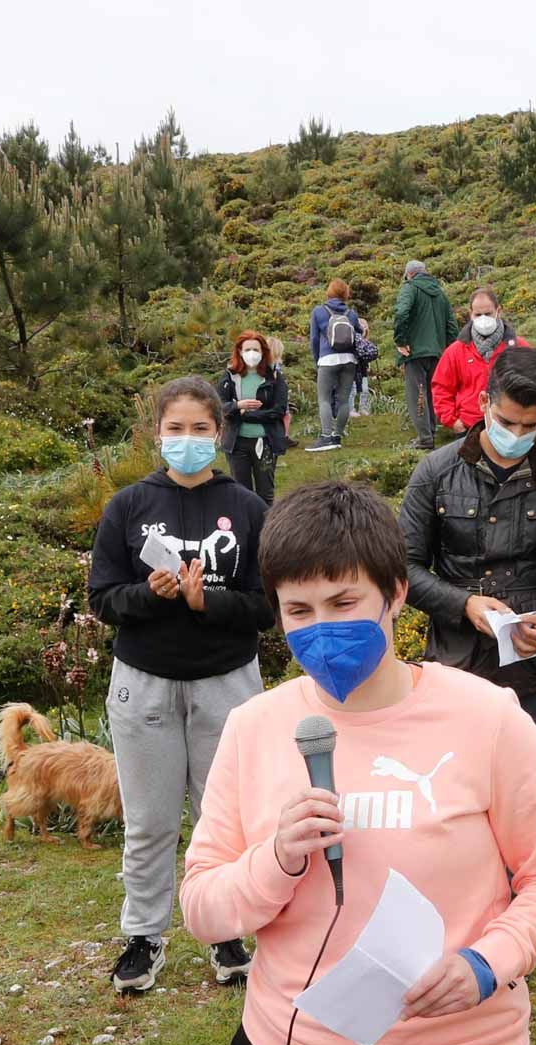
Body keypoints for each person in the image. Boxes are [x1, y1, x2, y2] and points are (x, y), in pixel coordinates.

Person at [179, 478, 536, 1045]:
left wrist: (484, 964)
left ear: (396, 594)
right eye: (298, 610)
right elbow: (204, 907)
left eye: (343, 604)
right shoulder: (255, 727)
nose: (321, 628)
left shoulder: (487, 718)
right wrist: (275, 858)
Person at [87, 376, 274, 994]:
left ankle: (225, 930)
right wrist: (150, 594)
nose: (187, 440)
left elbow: (266, 605)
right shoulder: (127, 507)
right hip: (143, 683)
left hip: (227, 683)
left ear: (218, 434)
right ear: (157, 434)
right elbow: (103, 599)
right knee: (148, 820)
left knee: (223, 818)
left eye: (200, 429)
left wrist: (205, 604)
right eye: (175, 429)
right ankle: (144, 936)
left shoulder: (248, 509)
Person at [397, 347, 536, 746]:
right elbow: (402, 570)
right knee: (454, 786)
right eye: (507, 422)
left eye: (529, 426)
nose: (516, 436)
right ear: (484, 402)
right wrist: (463, 604)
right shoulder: (435, 473)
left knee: (531, 790)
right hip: (456, 663)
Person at [431, 287, 530, 436]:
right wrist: (452, 421)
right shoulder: (455, 351)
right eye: (478, 314)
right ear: (470, 314)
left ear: (498, 311)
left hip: (511, 427)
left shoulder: (519, 347)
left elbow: (535, 382)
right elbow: (441, 388)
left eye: (488, 313)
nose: (483, 319)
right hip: (469, 429)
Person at [216, 330, 290, 505]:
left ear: (263, 351)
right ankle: (246, 529)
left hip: (266, 442)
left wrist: (246, 414)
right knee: (242, 492)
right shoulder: (229, 376)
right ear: (239, 351)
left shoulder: (275, 377)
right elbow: (219, 406)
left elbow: (279, 410)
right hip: (237, 443)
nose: (252, 354)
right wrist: (238, 406)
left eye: (256, 349)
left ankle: (267, 529)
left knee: (265, 492)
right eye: (247, 349)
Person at [393, 259, 453, 451]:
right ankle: (431, 432)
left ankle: (425, 439)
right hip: (437, 352)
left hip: (415, 352)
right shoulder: (440, 294)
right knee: (431, 392)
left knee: (417, 395)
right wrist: (452, 351)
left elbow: (401, 313)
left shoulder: (409, 288)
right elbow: (451, 326)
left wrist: (401, 341)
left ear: (408, 274)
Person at [306, 279, 362, 453]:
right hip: (349, 359)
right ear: (345, 293)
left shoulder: (319, 311)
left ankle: (326, 437)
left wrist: (317, 359)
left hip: (327, 359)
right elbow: (359, 334)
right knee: (344, 399)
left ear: (329, 292)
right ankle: (337, 436)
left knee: (324, 399)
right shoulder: (351, 313)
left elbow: (314, 339)